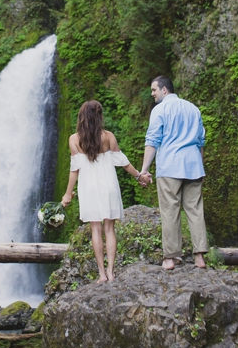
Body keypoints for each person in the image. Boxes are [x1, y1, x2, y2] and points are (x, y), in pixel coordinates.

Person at [62, 100, 145, 283]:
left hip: (89, 187)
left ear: (82, 117)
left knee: (95, 229)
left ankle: (101, 274)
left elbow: (74, 169)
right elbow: (123, 162)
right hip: (108, 185)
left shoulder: (74, 139)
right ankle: (111, 272)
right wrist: (139, 176)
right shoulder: (108, 137)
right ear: (99, 116)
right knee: (109, 229)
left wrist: (68, 193)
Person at [137, 75, 209, 270]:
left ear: (164, 90)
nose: (152, 94)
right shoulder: (193, 109)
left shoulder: (160, 110)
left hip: (170, 166)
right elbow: (201, 141)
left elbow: (152, 140)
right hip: (193, 165)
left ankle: (171, 258)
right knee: (195, 210)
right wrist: (200, 165)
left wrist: (144, 170)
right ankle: (200, 257)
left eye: (154, 90)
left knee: (170, 210)